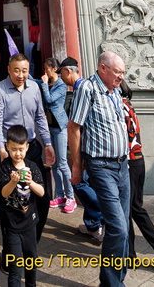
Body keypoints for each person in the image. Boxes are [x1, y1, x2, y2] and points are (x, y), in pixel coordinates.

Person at [68, 51, 130, 287]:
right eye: (117, 72)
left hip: (122, 165)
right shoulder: (88, 89)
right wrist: (77, 166)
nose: (121, 77)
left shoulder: (115, 92)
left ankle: (118, 279)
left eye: (123, 73)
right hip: (101, 166)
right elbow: (74, 128)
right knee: (118, 228)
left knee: (124, 224)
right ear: (103, 68)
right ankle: (111, 284)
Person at [0, 52, 55, 242]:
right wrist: (1, 149)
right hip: (9, 152)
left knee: (42, 197)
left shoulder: (34, 87)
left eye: (24, 71)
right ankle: (9, 250)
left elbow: (40, 117)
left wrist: (48, 143)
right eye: (16, 70)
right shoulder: (0, 90)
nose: (21, 75)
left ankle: (33, 241)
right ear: (9, 70)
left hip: (32, 149)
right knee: (10, 202)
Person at [120, 80, 154, 265]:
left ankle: (131, 255)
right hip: (138, 160)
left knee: (128, 210)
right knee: (136, 208)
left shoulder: (119, 108)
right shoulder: (130, 107)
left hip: (128, 163)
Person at [58, 56, 105, 242]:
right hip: (89, 147)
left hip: (88, 147)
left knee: (80, 182)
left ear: (68, 71)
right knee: (89, 183)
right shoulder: (87, 87)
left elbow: (75, 126)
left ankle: (102, 215)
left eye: (61, 73)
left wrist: (76, 158)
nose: (61, 77)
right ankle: (93, 223)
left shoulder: (82, 89)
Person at [0, 124, 45, 287]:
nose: (17, 153)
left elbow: (41, 192)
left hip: (30, 224)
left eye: (21, 149)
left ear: (27, 147)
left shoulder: (32, 166)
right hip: (11, 226)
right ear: (7, 147)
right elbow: (4, 193)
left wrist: (30, 182)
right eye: (13, 149)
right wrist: (12, 181)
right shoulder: (5, 167)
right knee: (15, 269)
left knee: (31, 265)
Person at [39, 58, 76, 213]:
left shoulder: (61, 85)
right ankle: (59, 195)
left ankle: (71, 197)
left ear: (54, 69)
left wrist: (43, 84)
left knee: (62, 163)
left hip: (60, 127)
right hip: (50, 126)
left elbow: (49, 99)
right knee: (53, 164)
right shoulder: (47, 84)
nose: (45, 72)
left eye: (47, 68)